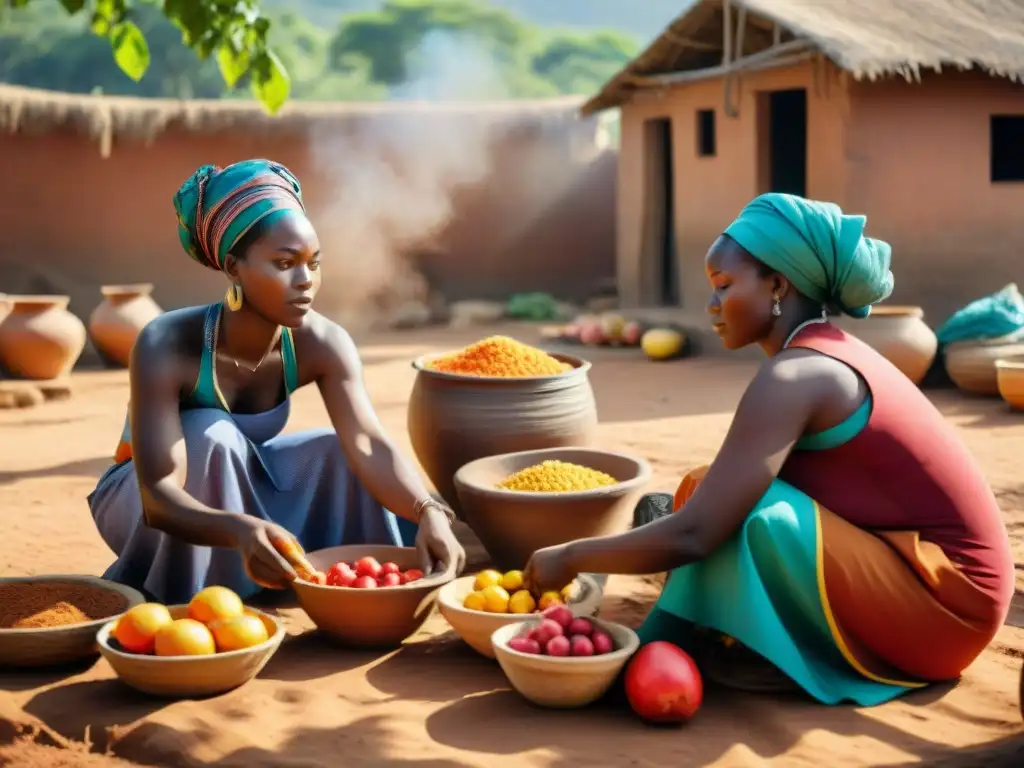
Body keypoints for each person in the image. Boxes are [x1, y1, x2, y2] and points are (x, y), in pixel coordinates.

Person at [524, 193, 1013, 706]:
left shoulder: (798, 374)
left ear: (778, 285)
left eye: (724, 286)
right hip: (920, 586)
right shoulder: (820, 353)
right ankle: (700, 636)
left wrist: (573, 556)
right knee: (703, 487)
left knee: (741, 513)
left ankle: (713, 644)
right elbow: (707, 510)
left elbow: (697, 534)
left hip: (946, 615)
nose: (711, 306)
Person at [88, 159, 465, 604]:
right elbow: (159, 497)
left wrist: (428, 510)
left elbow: (368, 443)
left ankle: (358, 594)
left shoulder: (322, 342)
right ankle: (202, 598)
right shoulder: (166, 343)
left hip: (246, 491)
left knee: (334, 448)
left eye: (313, 263)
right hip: (147, 503)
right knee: (211, 434)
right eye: (285, 263)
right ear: (234, 267)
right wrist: (238, 528)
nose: (305, 282)